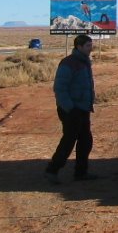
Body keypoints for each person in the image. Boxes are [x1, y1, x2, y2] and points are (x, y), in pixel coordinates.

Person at [45, 34, 96, 183]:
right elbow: (60, 88)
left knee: (85, 140)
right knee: (69, 140)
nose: (91, 48)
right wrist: (69, 108)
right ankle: (52, 170)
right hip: (71, 109)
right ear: (79, 46)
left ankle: (81, 172)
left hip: (83, 108)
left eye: (91, 45)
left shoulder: (85, 62)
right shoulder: (68, 63)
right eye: (88, 45)